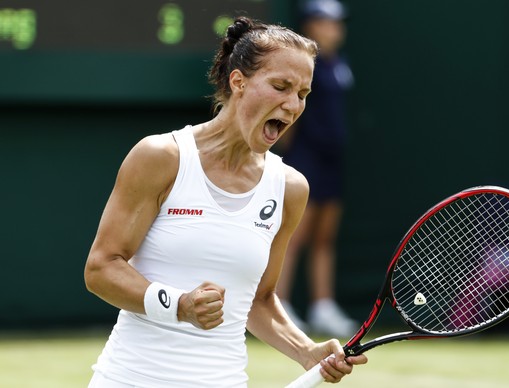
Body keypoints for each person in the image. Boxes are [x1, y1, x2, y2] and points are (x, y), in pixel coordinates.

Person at [84, 16, 367, 387]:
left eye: (302, 94)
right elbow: (101, 268)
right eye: (280, 86)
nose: (293, 105)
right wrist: (179, 305)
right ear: (238, 81)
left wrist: (304, 350)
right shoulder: (161, 156)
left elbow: (259, 298)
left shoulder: (290, 188)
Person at [276, 0, 357, 338]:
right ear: (310, 25)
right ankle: (278, 305)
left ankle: (322, 306)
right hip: (304, 159)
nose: (335, 28)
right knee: (293, 236)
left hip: (332, 160)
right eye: (326, 22)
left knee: (324, 237)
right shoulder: (302, 66)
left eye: (338, 22)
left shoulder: (340, 64)